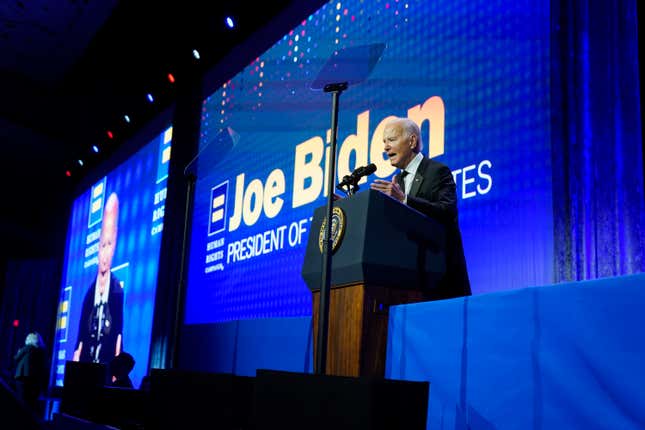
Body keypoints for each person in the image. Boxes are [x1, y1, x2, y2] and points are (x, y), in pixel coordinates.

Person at [370, 117, 471, 300]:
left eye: (391, 140)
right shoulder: (397, 181)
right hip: (407, 282)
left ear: (412, 141)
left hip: (440, 280)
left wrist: (404, 199)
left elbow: (447, 212)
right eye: (384, 142)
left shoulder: (437, 171)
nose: (385, 147)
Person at [73, 192, 124, 364]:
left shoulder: (117, 291)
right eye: (103, 245)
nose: (105, 254)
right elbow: (80, 337)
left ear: (115, 242)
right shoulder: (89, 295)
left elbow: (118, 334)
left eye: (109, 245)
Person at [14, 332, 48, 416]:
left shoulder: (27, 347)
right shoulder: (41, 351)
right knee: (30, 402)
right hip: (34, 380)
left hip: (22, 377)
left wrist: (19, 352)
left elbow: (16, 358)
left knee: (21, 400)